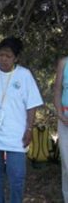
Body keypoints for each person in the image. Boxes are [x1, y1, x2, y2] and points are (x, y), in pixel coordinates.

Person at [0, 37, 43, 203]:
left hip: (16, 134)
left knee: (17, 176)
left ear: (16, 58)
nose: (3, 59)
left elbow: (31, 105)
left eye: (8, 56)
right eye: (0, 55)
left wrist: (29, 129)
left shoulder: (24, 75)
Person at [54, 56, 68, 203]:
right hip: (65, 117)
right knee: (67, 164)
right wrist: (59, 113)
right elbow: (57, 89)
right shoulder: (64, 62)